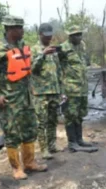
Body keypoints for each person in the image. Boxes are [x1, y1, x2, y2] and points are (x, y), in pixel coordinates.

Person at [0, 15, 48, 180]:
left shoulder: (22, 46)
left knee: (30, 130)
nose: (23, 31)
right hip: (10, 101)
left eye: (22, 27)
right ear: (10, 30)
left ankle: (29, 162)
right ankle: (16, 168)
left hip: (27, 98)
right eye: (19, 28)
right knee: (12, 134)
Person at [60, 26, 98, 153]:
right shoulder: (63, 48)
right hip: (70, 88)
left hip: (82, 87)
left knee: (80, 114)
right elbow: (56, 68)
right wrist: (61, 89)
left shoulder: (81, 46)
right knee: (70, 115)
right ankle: (72, 142)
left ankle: (79, 139)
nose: (79, 37)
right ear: (70, 36)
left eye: (80, 34)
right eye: (76, 35)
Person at [31, 23, 64, 159]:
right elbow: (32, 69)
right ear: (40, 35)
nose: (49, 39)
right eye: (46, 37)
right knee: (41, 122)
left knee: (53, 120)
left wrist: (61, 90)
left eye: (50, 36)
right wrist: (42, 55)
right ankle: (43, 149)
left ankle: (52, 145)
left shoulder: (53, 50)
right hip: (40, 92)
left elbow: (58, 71)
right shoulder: (34, 50)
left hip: (54, 91)